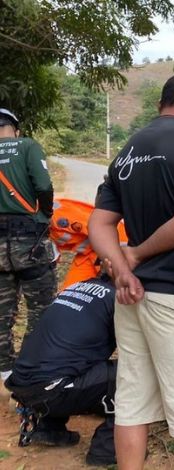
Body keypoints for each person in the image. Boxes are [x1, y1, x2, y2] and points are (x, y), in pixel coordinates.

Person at [88, 75, 174, 470]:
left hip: (132, 300)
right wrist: (133, 255)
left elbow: (98, 224)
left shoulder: (127, 151)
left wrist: (121, 268)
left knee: (132, 403)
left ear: (161, 104)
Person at [4, 275, 117, 466]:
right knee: (132, 374)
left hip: (24, 385)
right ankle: (107, 449)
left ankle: (49, 427)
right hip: (55, 391)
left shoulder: (77, 286)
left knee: (67, 359)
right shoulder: (119, 297)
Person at [0, 107, 57, 381]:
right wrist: (45, 214)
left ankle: (3, 370)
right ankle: (32, 367)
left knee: (1, 308)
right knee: (40, 305)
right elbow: (44, 186)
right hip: (28, 241)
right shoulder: (27, 146)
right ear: (15, 129)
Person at [51, 198, 127, 289]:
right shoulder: (38, 223)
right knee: (70, 293)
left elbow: (101, 229)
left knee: (116, 291)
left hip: (114, 246)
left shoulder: (58, 217)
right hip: (89, 252)